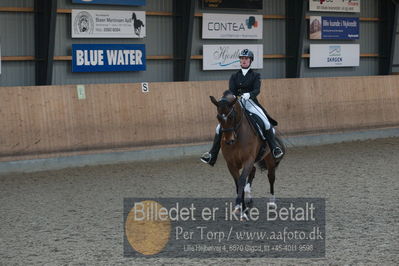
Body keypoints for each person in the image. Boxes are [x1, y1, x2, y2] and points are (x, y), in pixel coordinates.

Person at [200, 49, 284, 166]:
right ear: (240, 61)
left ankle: (274, 148)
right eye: (242, 59)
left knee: (266, 123)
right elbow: (231, 90)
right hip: (236, 103)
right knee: (220, 127)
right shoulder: (234, 76)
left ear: (250, 61)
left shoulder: (255, 75)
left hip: (251, 103)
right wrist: (227, 98)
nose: (244, 61)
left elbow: (257, 90)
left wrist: (249, 94)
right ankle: (212, 154)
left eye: (246, 59)